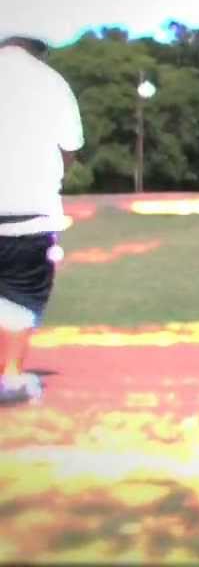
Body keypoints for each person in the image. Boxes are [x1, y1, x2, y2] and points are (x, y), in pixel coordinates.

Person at [0, 35, 84, 404]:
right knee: (22, 294)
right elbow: (70, 149)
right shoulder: (52, 82)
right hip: (30, 213)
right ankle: (10, 376)